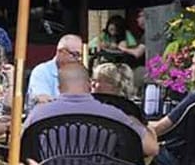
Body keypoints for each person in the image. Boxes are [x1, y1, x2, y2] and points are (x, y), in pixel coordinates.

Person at [25, 62, 157, 156]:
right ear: (88, 85)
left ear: (59, 88)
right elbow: (151, 148)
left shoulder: (39, 114)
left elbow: (21, 148)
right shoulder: (114, 114)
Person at [27, 34, 84, 104]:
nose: (79, 59)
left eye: (80, 56)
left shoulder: (78, 74)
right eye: (75, 54)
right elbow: (43, 101)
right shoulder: (41, 72)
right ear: (60, 52)